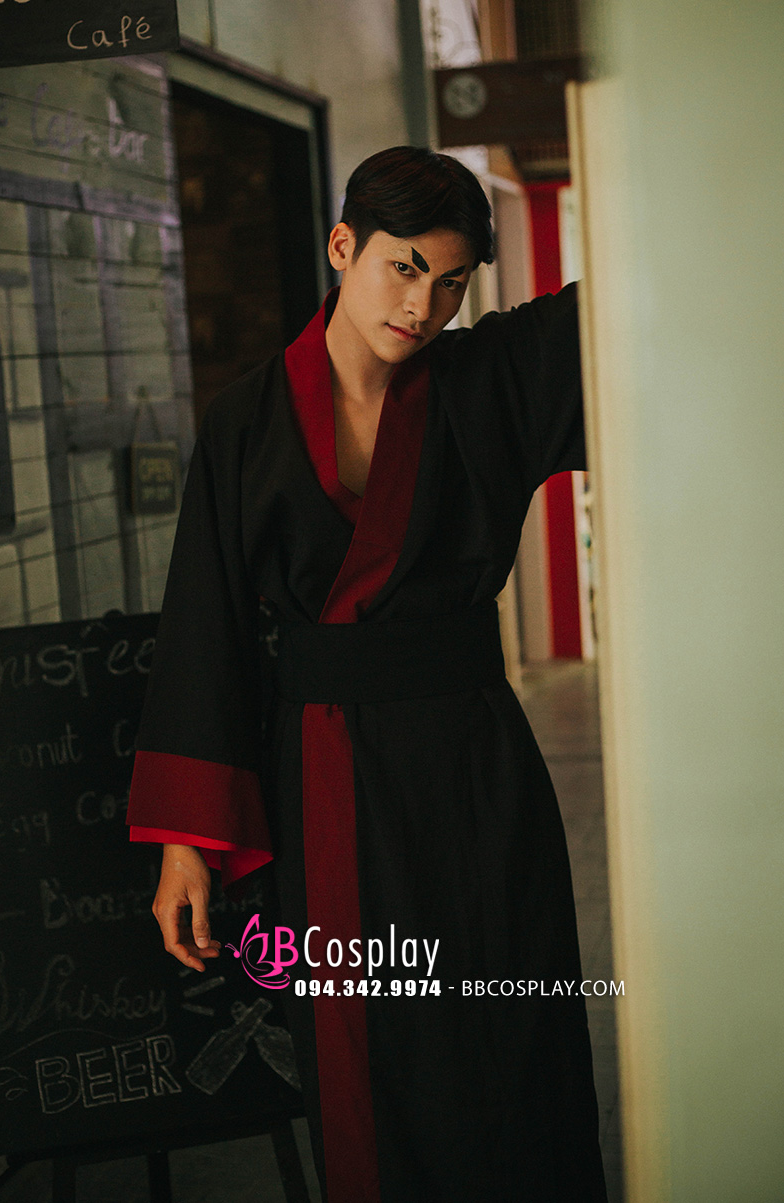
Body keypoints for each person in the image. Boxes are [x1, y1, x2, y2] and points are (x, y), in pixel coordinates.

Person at [127, 146, 608, 1202]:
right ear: (343, 246)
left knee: (510, 1034)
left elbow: (635, 294)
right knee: (367, 1045)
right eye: (404, 267)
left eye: (452, 282)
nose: (424, 306)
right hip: (325, 781)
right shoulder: (246, 422)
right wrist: (184, 843)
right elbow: (205, 626)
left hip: (473, 764)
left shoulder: (489, 381)